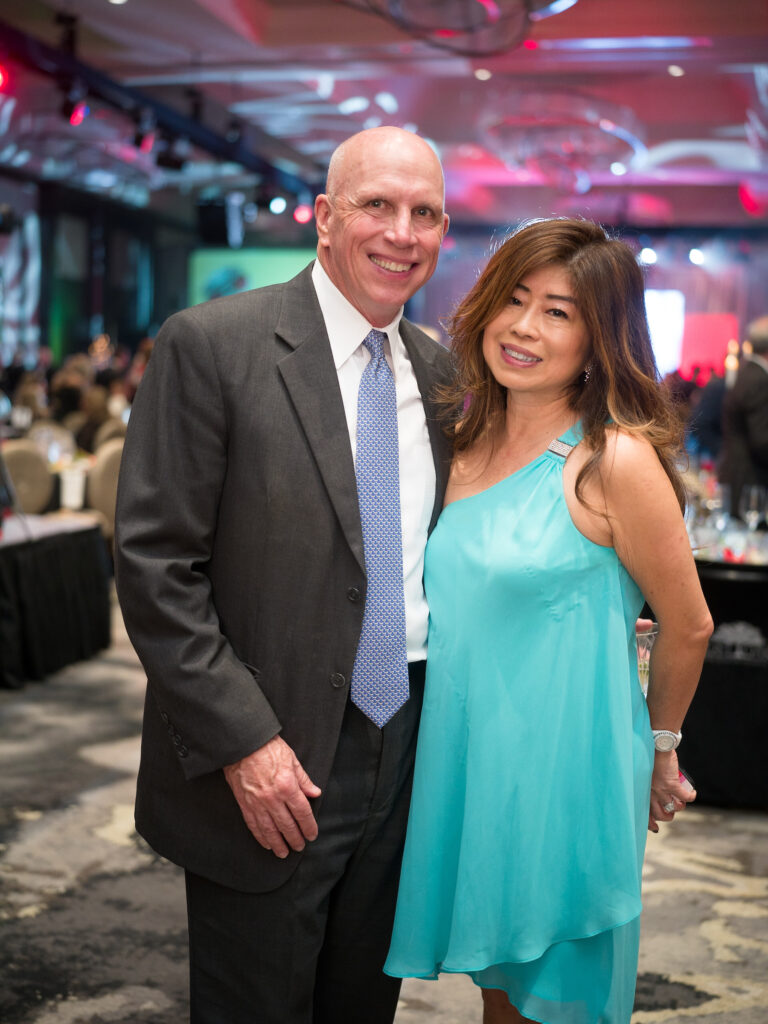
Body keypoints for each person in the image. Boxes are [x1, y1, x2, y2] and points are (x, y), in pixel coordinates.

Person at [113, 125, 451, 1024]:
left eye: (425, 213)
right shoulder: (213, 345)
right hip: (272, 753)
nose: (401, 232)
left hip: (409, 738)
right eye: (377, 205)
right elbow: (156, 567)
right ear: (325, 217)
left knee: (363, 1002)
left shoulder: (445, 375)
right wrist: (244, 745)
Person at [384, 218, 713, 1024]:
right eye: (516, 299)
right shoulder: (458, 441)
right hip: (470, 764)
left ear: (600, 338)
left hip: (567, 769)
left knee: (556, 1004)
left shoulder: (614, 460)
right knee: (502, 998)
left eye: (560, 312)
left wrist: (661, 747)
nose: (524, 327)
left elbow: (691, 623)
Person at [719, 315, 768, 519]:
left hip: (738, 475)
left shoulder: (747, 372)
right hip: (750, 481)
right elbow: (762, 440)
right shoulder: (759, 379)